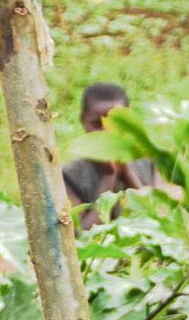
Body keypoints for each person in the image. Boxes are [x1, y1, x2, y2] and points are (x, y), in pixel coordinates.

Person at [61, 82, 155, 220]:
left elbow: (160, 220)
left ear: (129, 122)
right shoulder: (68, 175)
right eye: (97, 124)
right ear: (82, 121)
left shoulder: (151, 162)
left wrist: (128, 174)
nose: (106, 132)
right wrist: (109, 177)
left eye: (115, 124)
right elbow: (82, 234)